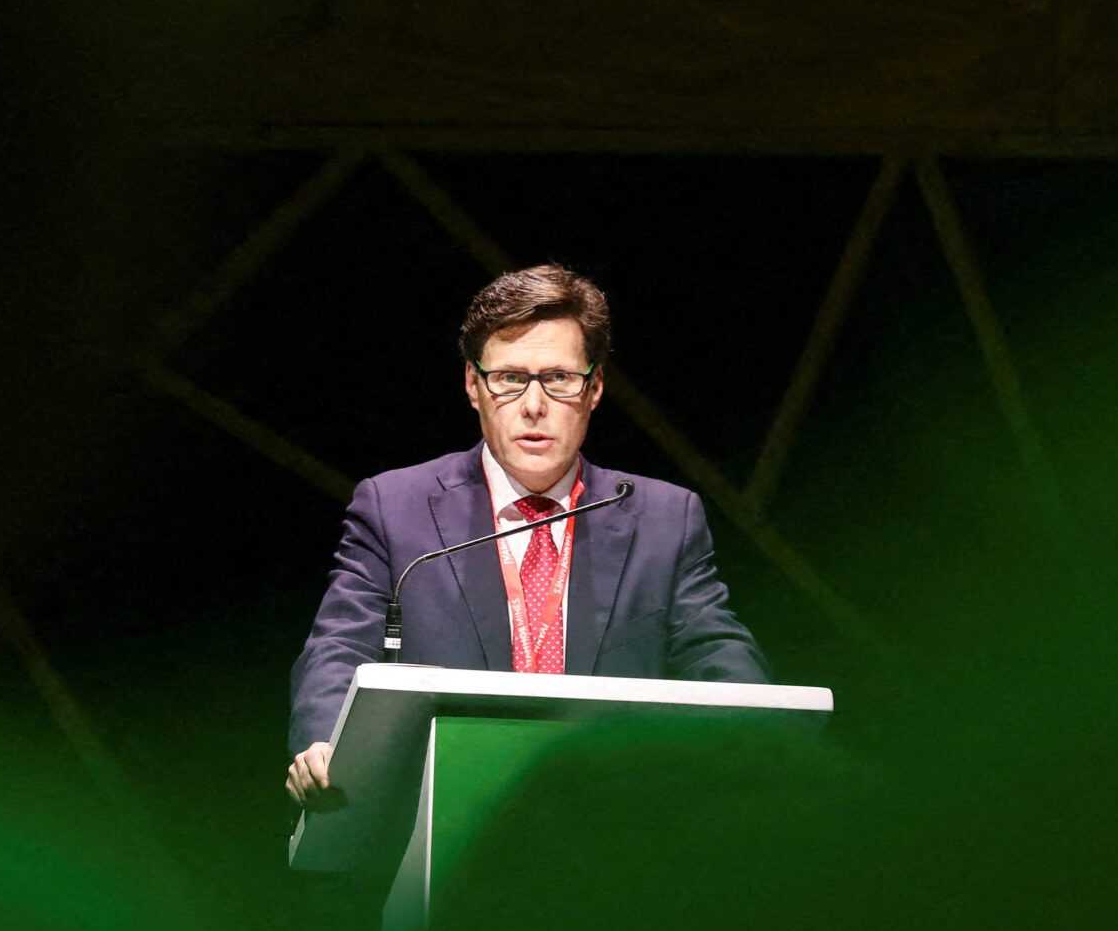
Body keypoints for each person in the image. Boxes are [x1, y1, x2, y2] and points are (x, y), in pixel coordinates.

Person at [286, 264, 768, 805]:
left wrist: (757, 725)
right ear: (474, 385)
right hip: (438, 812)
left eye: (559, 378)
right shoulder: (395, 508)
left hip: (619, 815)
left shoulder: (663, 517)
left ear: (594, 388)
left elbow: (713, 646)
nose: (534, 405)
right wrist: (326, 741)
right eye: (511, 378)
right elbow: (341, 645)